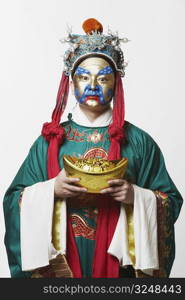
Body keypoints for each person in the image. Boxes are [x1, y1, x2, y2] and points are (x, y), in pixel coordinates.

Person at [3, 18, 183, 278]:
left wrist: (137, 197)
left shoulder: (139, 142)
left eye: (104, 78)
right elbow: (13, 201)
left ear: (116, 83)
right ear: (71, 82)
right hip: (62, 259)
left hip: (119, 266)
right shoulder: (50, 141)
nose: (93, 86)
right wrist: (51, 189)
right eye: (84, 77)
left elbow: (171, 202)